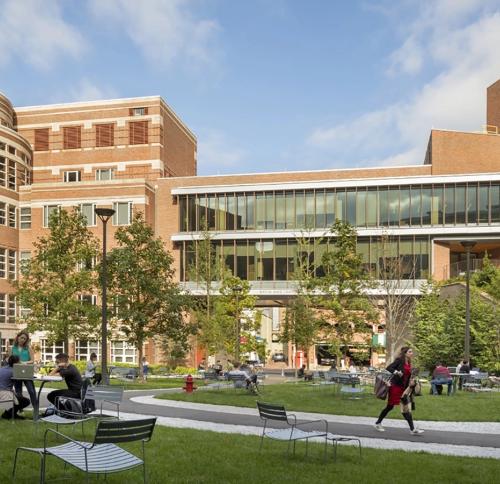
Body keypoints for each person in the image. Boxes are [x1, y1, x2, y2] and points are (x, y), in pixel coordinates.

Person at [374, 346, 424, 435]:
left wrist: (411, 382)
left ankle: (412, 429)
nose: (411, 353)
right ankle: (378, 423)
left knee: (405, 408)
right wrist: (396, 372)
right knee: (390, 406)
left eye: (411, 352)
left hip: (403, 388)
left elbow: (407, 375)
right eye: (410, 352)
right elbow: (389, 368)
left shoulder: (408, 362)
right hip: (395, 387)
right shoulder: (399, 360)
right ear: (405, 353)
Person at [10, 330, 37, 411]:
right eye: (21, 337)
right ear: (18, 337)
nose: (23, 340)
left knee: (31, 391)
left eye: (25, 339)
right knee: (18, 392)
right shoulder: (12, 348)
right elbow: (10, 360)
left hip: (26, 371)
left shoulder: (28, 348)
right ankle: (19, 410)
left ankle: (36, 409)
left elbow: (32, 360)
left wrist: (24, 362)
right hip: (16, 371)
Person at [0, 355, 30, 419]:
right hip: (4, 394)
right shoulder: (14, 371)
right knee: (25, 401)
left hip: (3, 392)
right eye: (19, 361)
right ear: (16, 363)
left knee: (17, 397)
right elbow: (22, 378)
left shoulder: (2, 368)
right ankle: (9, 414)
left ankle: (10, 413)